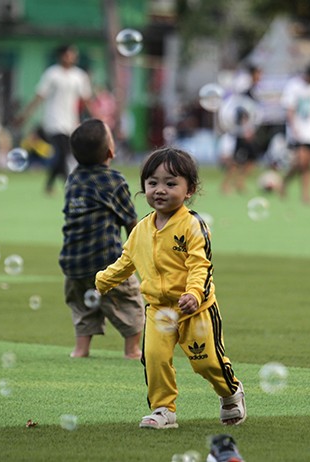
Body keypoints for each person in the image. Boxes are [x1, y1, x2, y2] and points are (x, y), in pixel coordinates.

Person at [95, 148, 246, 428]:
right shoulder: (141, 229)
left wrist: (194, 293)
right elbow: (127, 260)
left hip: (196, 309)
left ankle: (230, 392)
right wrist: (103, 279)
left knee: (207, 362)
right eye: (152, 183)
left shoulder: (192, 225)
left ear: (190, 190)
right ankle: (163, 409)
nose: (160, 190)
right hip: (158, 309)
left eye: (171, 183)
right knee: (154, 359)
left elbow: (200, 265)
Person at [59, 118, 144, 359]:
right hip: (106, 261)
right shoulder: (114, 181)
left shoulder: (73, 179)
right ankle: (132, 349)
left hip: (73, 263)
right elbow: (130, 221)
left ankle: (81, 349)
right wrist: (139, 252)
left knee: (82, 305)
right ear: (110, 151)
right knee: (129, 301)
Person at [15, 44, 92, 195]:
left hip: (71, 121)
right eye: (68, 54)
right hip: (54, 120)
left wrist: (97, 118)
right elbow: (39, 96)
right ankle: (69, 185)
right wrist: (25, 115)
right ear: (61, 56)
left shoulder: (79, 76)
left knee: (63, 155)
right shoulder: (52, 74)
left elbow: (86, 99)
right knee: (63, 152)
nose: (71, 57)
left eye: (73, 54)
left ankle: (49, 185)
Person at [279, 62, 310, 204]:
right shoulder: (294, 85)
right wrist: (293, 127)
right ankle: (286, 181)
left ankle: (304, 194)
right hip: (298, 130)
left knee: (307, 163)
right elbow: (290, 108)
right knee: (301, 161)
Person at [220, 64, 263, 195]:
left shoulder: (252, 90)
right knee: (238, 159)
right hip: (241, 133)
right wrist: (246, 130)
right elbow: (242, 111)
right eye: (258, 74)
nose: (260, 77)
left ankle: (238, 182)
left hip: (244, 131)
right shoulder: (246, 90)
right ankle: (227, 185)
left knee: (250, 158)